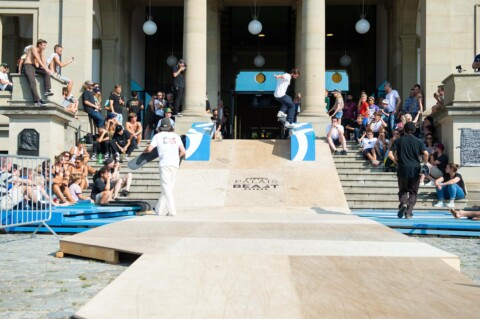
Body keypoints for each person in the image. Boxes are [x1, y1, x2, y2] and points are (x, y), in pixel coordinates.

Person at [144, 118, 186, 216]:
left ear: (160, 127)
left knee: (166, 187)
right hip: (175, 164)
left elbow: (150, 149)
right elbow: (183, 151)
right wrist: (176, 157)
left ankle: (172, 211)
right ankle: (158, 209)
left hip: (164, 163)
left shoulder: (157, 136)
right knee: (168, 187)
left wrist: (144, 151)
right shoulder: (176, 136)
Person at [388, 122, 429, 219]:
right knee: (413, 192)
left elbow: (390, 154)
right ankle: (408, 212)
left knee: (403, 191)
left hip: (402, 168)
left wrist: (396, 162)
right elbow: (426, 154)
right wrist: (425, 163)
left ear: (404, 130)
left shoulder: (398, 141)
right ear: (414, 130)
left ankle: (404, 203)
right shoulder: (419, 141)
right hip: (415, 169)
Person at [24, 39, 53, 107]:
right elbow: (38, 58)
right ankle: (37, 101)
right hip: (28, 66)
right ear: (39, 44)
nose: (45, 47)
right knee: (32, 82)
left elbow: (43, 59)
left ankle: (47, 90)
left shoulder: (41, 51)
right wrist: (46, 68)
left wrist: (46, 68)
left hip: (35, 66)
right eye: (44, 45)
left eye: (45, 45)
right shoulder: (33, 48)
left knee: (46, 73)